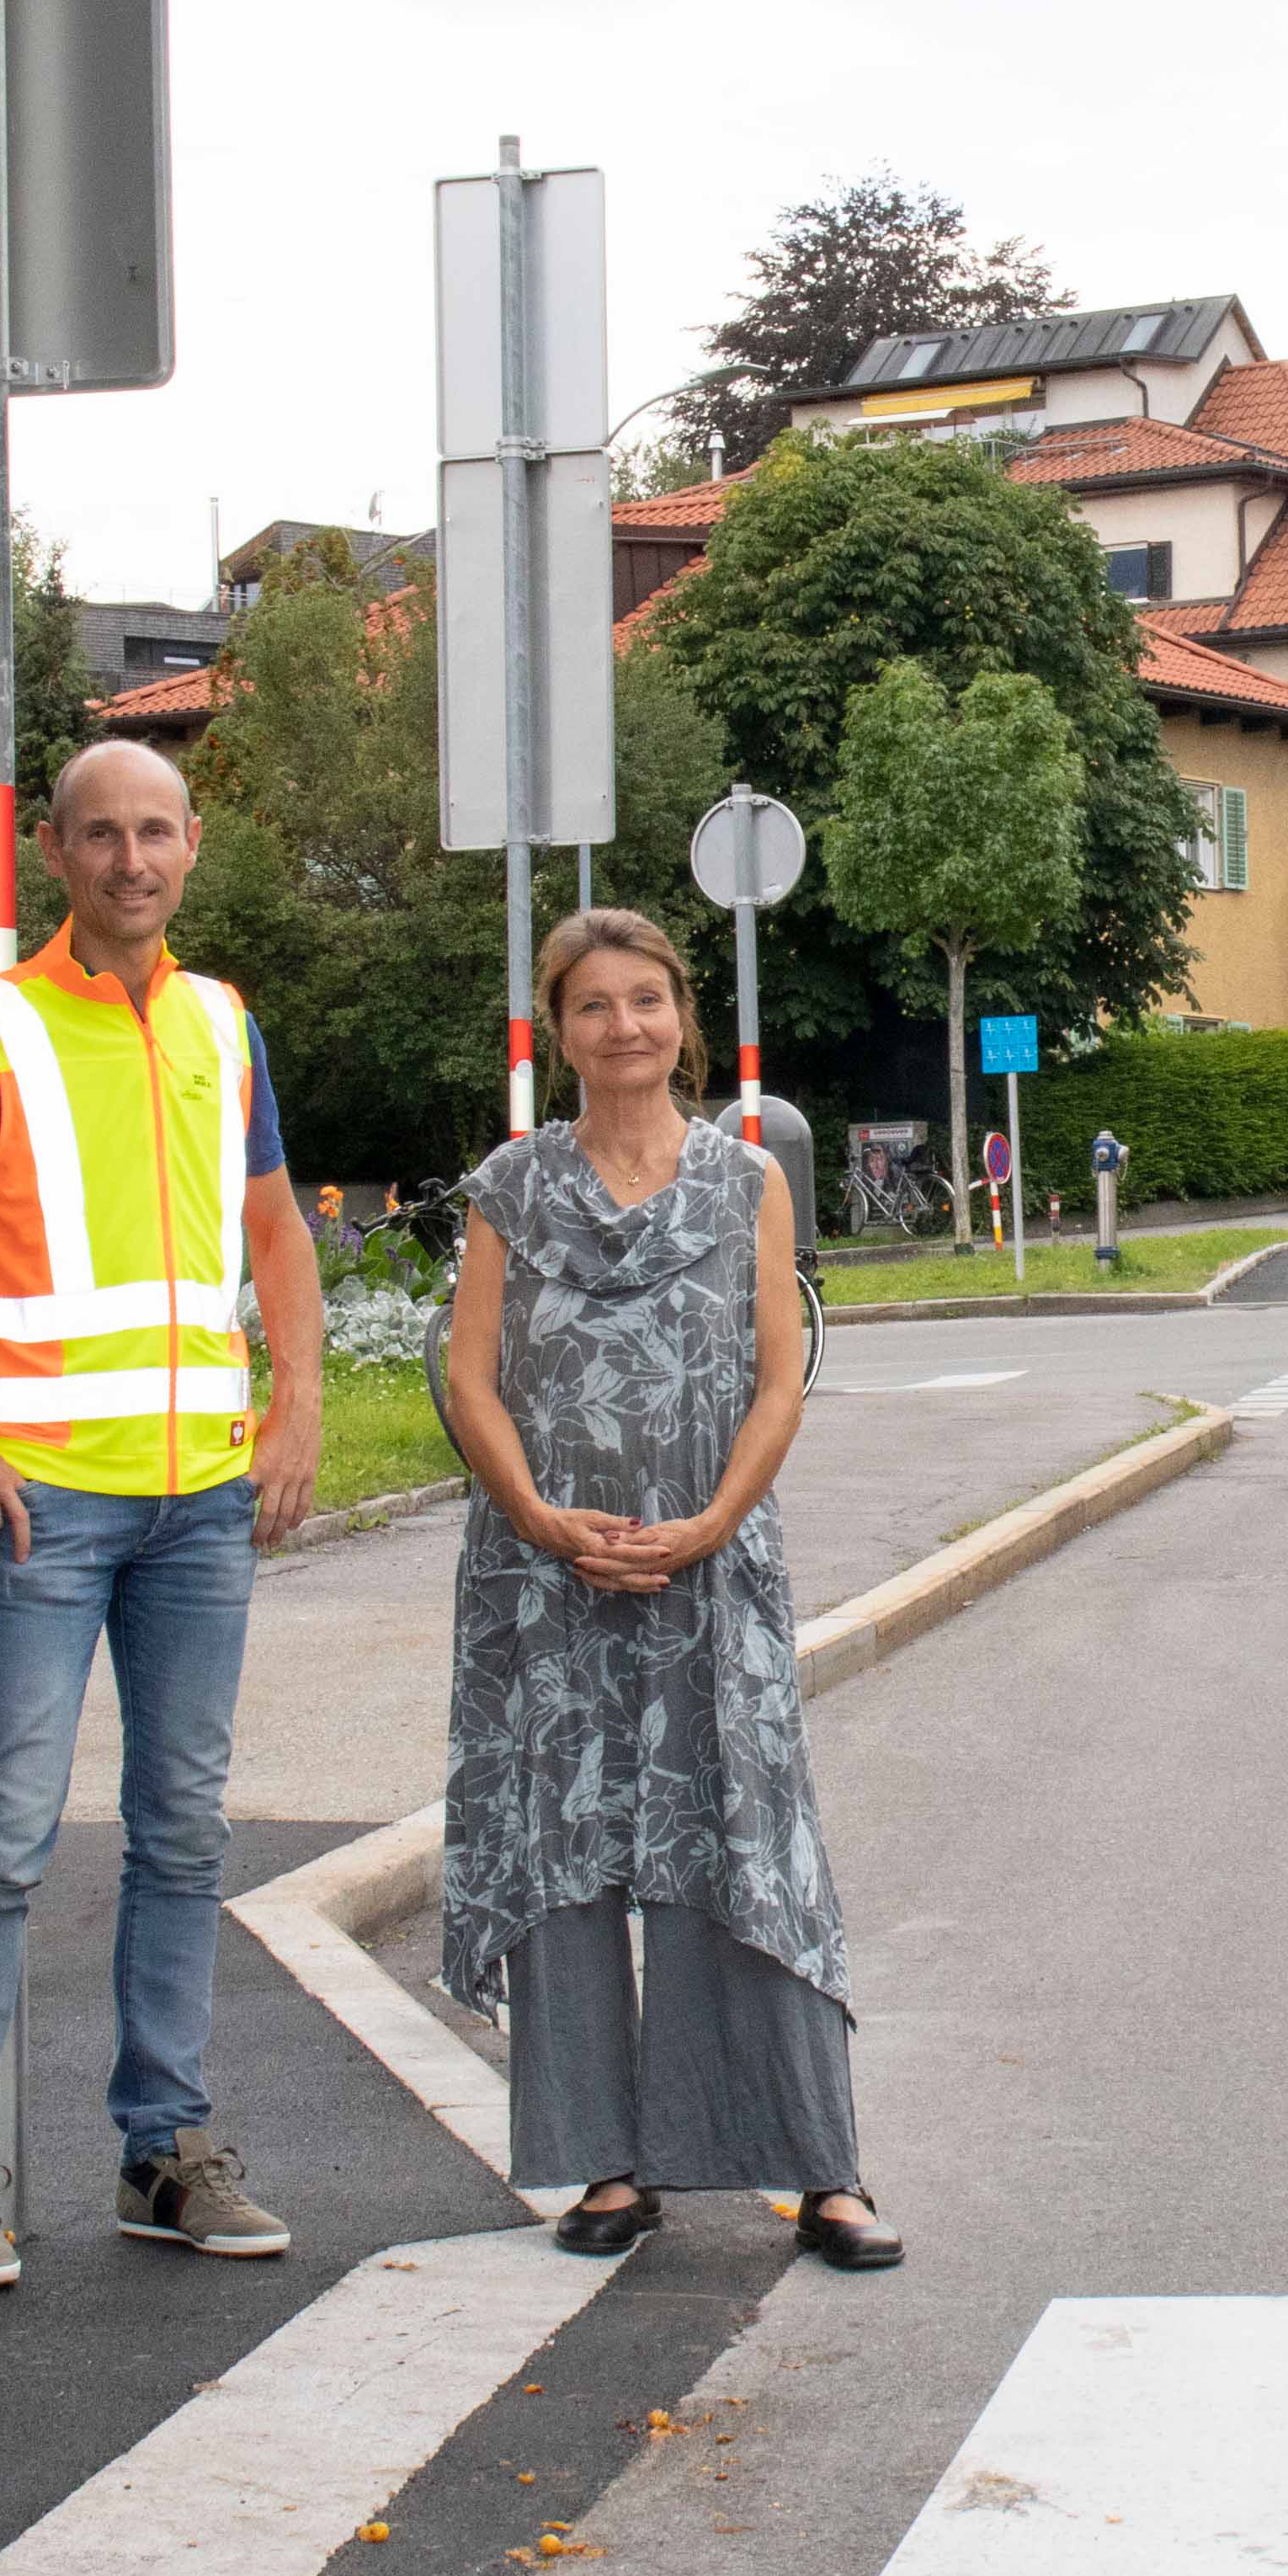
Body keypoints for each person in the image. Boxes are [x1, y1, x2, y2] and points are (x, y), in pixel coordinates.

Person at [0, 741, 327, 2291]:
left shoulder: (222, 1021)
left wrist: (296, 1402)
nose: (130, 860)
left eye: (155, 832)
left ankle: (165, 2148)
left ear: (191, 846)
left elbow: (274, 1225)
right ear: (56, 851)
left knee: (183, 1832)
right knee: (5, 1837)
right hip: (42, 1507)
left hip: (198, 1508)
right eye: (101, 834)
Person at [435, 907, 895, 2272]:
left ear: (683, 1019)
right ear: (558, 1028)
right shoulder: (508, 1187)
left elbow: (777, 1378)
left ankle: (823, 2171)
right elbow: (468, 1377)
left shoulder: (746, 1180)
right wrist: (533, 1515)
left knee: (752, 1848)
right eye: (594, 1005)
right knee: (566, 1854)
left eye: (647, 1001)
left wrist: (708, 1526)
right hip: (544, 1577)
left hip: (711, 1570)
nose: (624, 1026)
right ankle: (608, 2168)